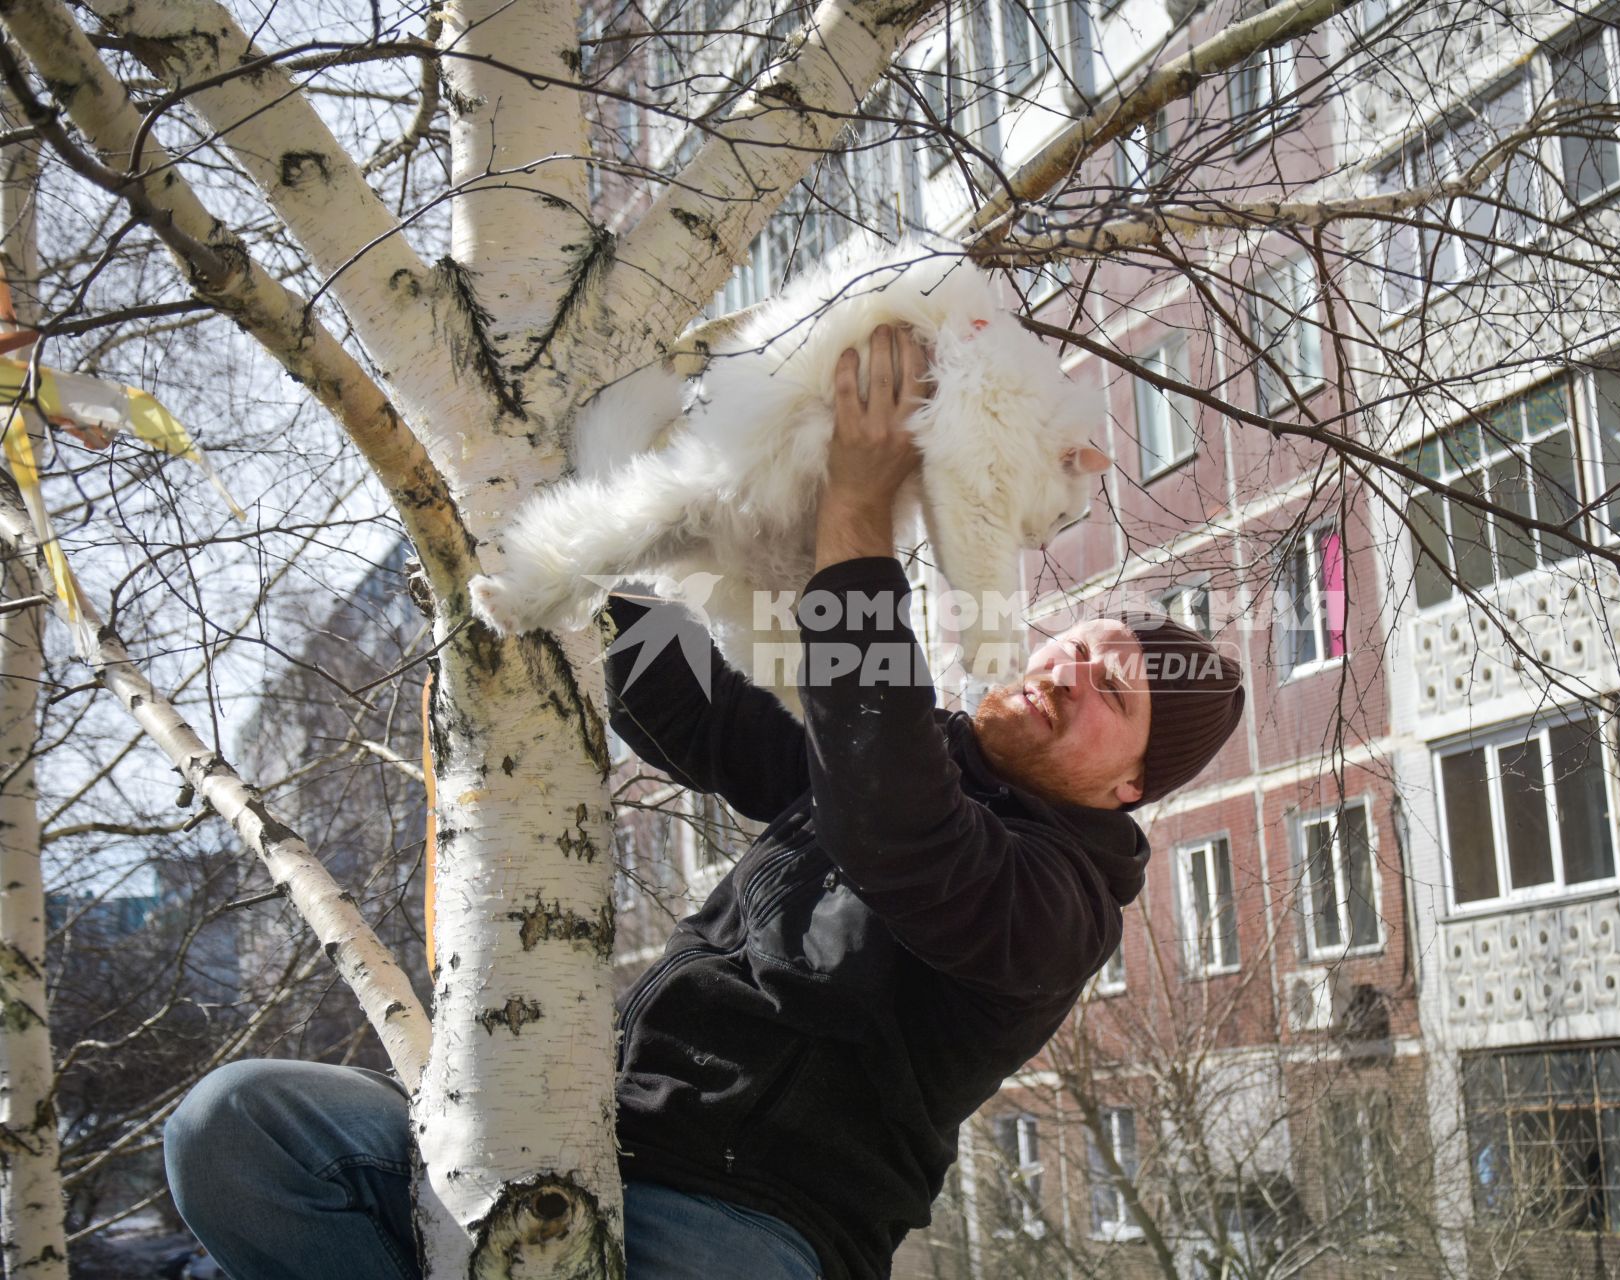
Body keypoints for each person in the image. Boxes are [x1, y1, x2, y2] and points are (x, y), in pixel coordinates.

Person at [163, 325, 1245, 1280]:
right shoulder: (916, 752)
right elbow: (714, 715)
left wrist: (860, 511)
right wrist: (540, 534)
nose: (1065, 670)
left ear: (1127, 786)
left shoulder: (1058, 907)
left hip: (753, 1224)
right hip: (573, 1132)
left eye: (1114, 691)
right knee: (240, 1129)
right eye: (1076, 645)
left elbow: (895, 821)